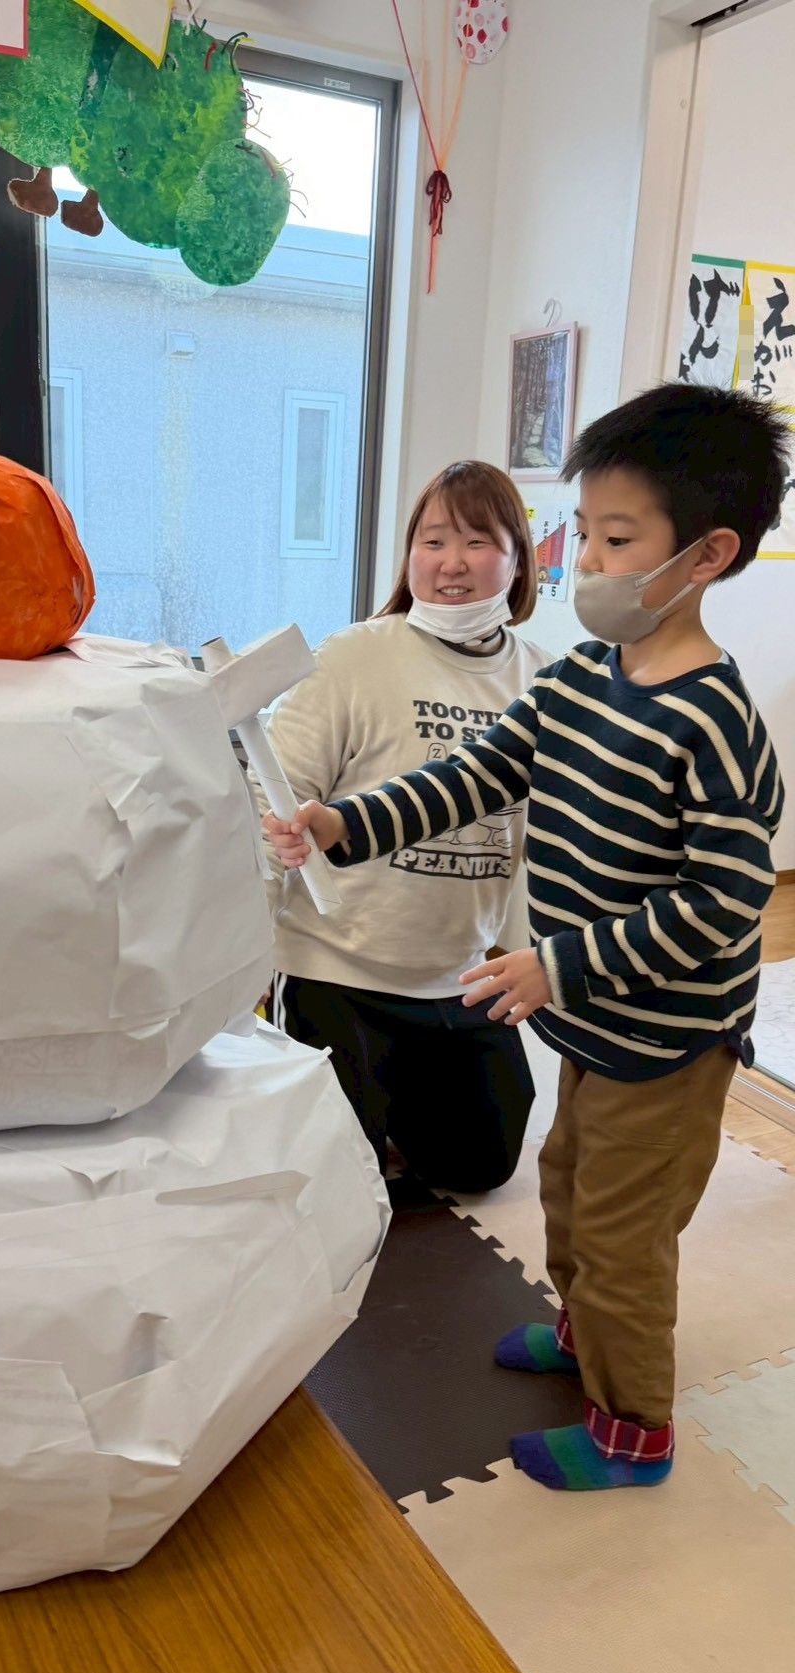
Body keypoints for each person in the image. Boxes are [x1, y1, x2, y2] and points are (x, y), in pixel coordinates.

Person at [264, 383, 787, 1493]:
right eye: (583, 533)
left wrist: (559, 963)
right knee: (566, 1183)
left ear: (707, 555)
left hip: (669, 1036)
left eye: (617, 541)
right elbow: (474, 775)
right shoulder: (585, 678)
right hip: (590, 1019)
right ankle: (582, 1329)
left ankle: (635, 1430)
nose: (587, 562)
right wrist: (344, 823)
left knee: (625, 1229)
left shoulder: (715, 718)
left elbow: (724, 902)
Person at [255, 460, 551, 1192]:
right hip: (337, 968)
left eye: (478, 542)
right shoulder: (353, 656)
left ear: (518, 560)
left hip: (461, 975)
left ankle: (390, 1104)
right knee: (344, 1180)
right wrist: (252, 940)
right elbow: (276, 799)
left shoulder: (546, 682)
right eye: (433, 541)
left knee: (481, 1167)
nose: (451, 563)